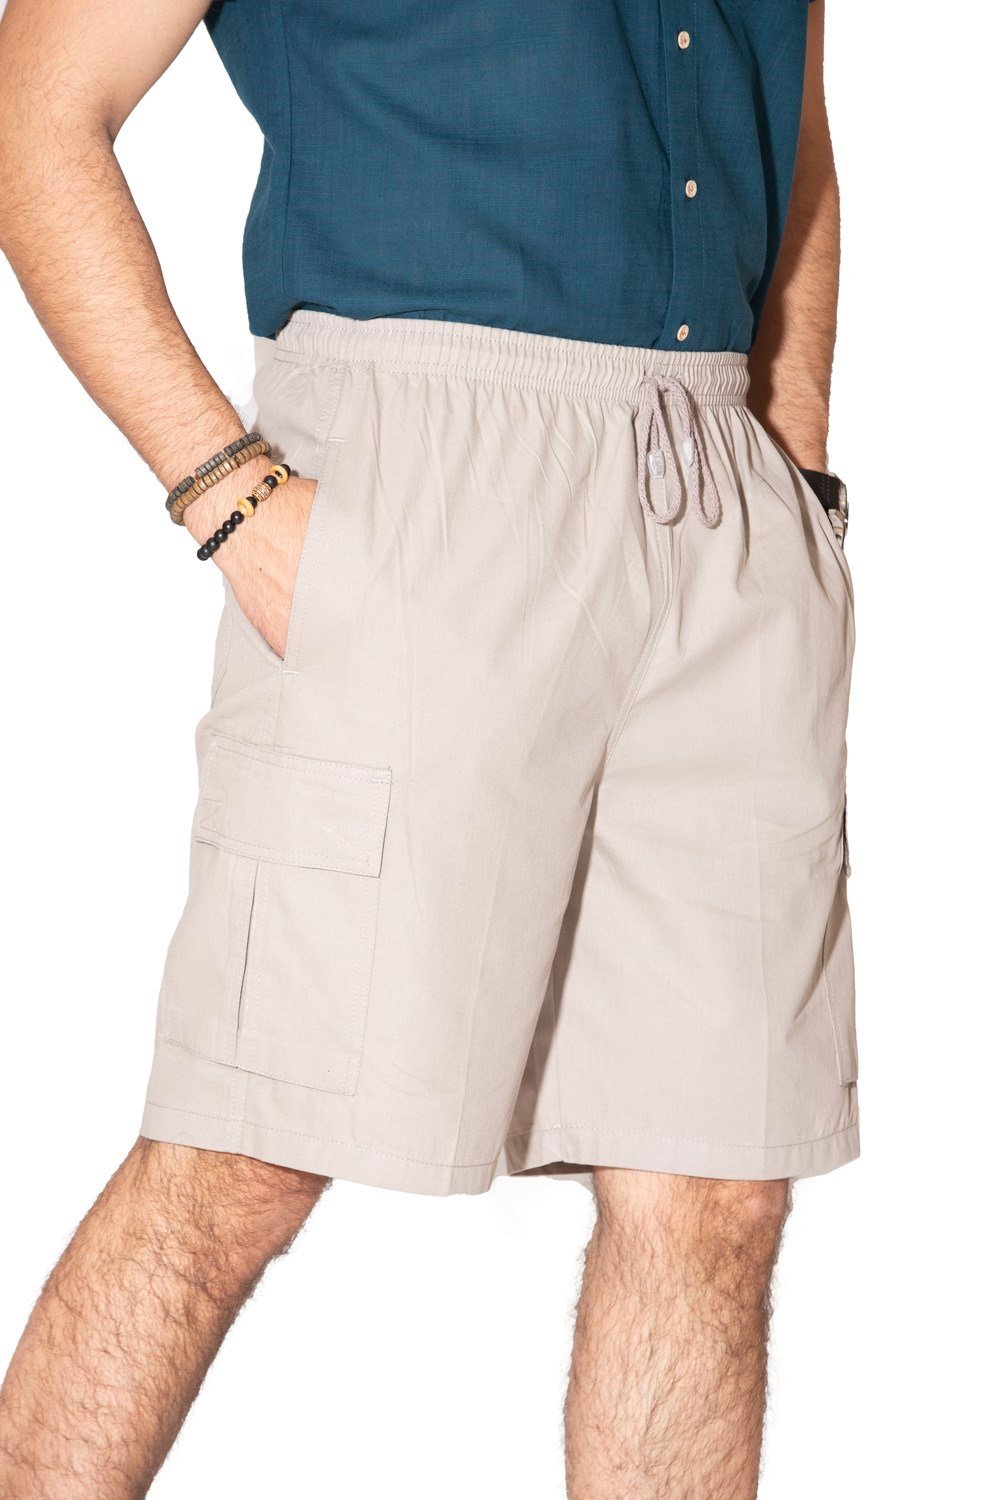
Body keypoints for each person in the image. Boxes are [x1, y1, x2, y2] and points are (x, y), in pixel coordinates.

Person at [0, 1, 856, 1495]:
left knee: (715, 1193)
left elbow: (797, 143)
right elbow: (32, 112)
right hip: (425, 469)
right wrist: (225, 492)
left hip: (723, 500)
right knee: (245, 1151)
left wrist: (800, 490)